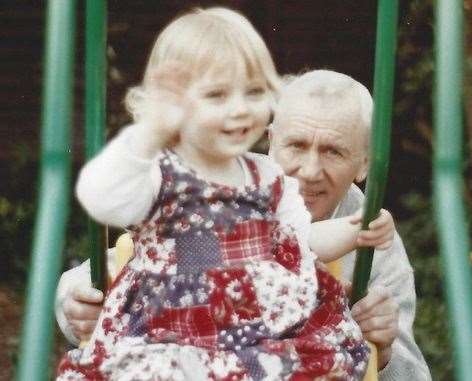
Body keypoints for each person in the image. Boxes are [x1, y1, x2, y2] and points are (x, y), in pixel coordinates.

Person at [56, 8, 395, 380]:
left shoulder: (265, 177)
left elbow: (299, 241)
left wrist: (355, 231)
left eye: (252, 93)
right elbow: (105, 198)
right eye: (217, 96)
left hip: (255, 332)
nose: (237, 111)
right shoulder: (159, 171)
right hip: (170, 325)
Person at [268, 70, 431, 380]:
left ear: (365, 164)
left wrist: (382, 354)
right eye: (297, 146)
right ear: (271, 143)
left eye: (333, 151)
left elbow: (412, 375)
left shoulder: (373, 237)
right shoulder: (224, 197)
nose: (311, 170)